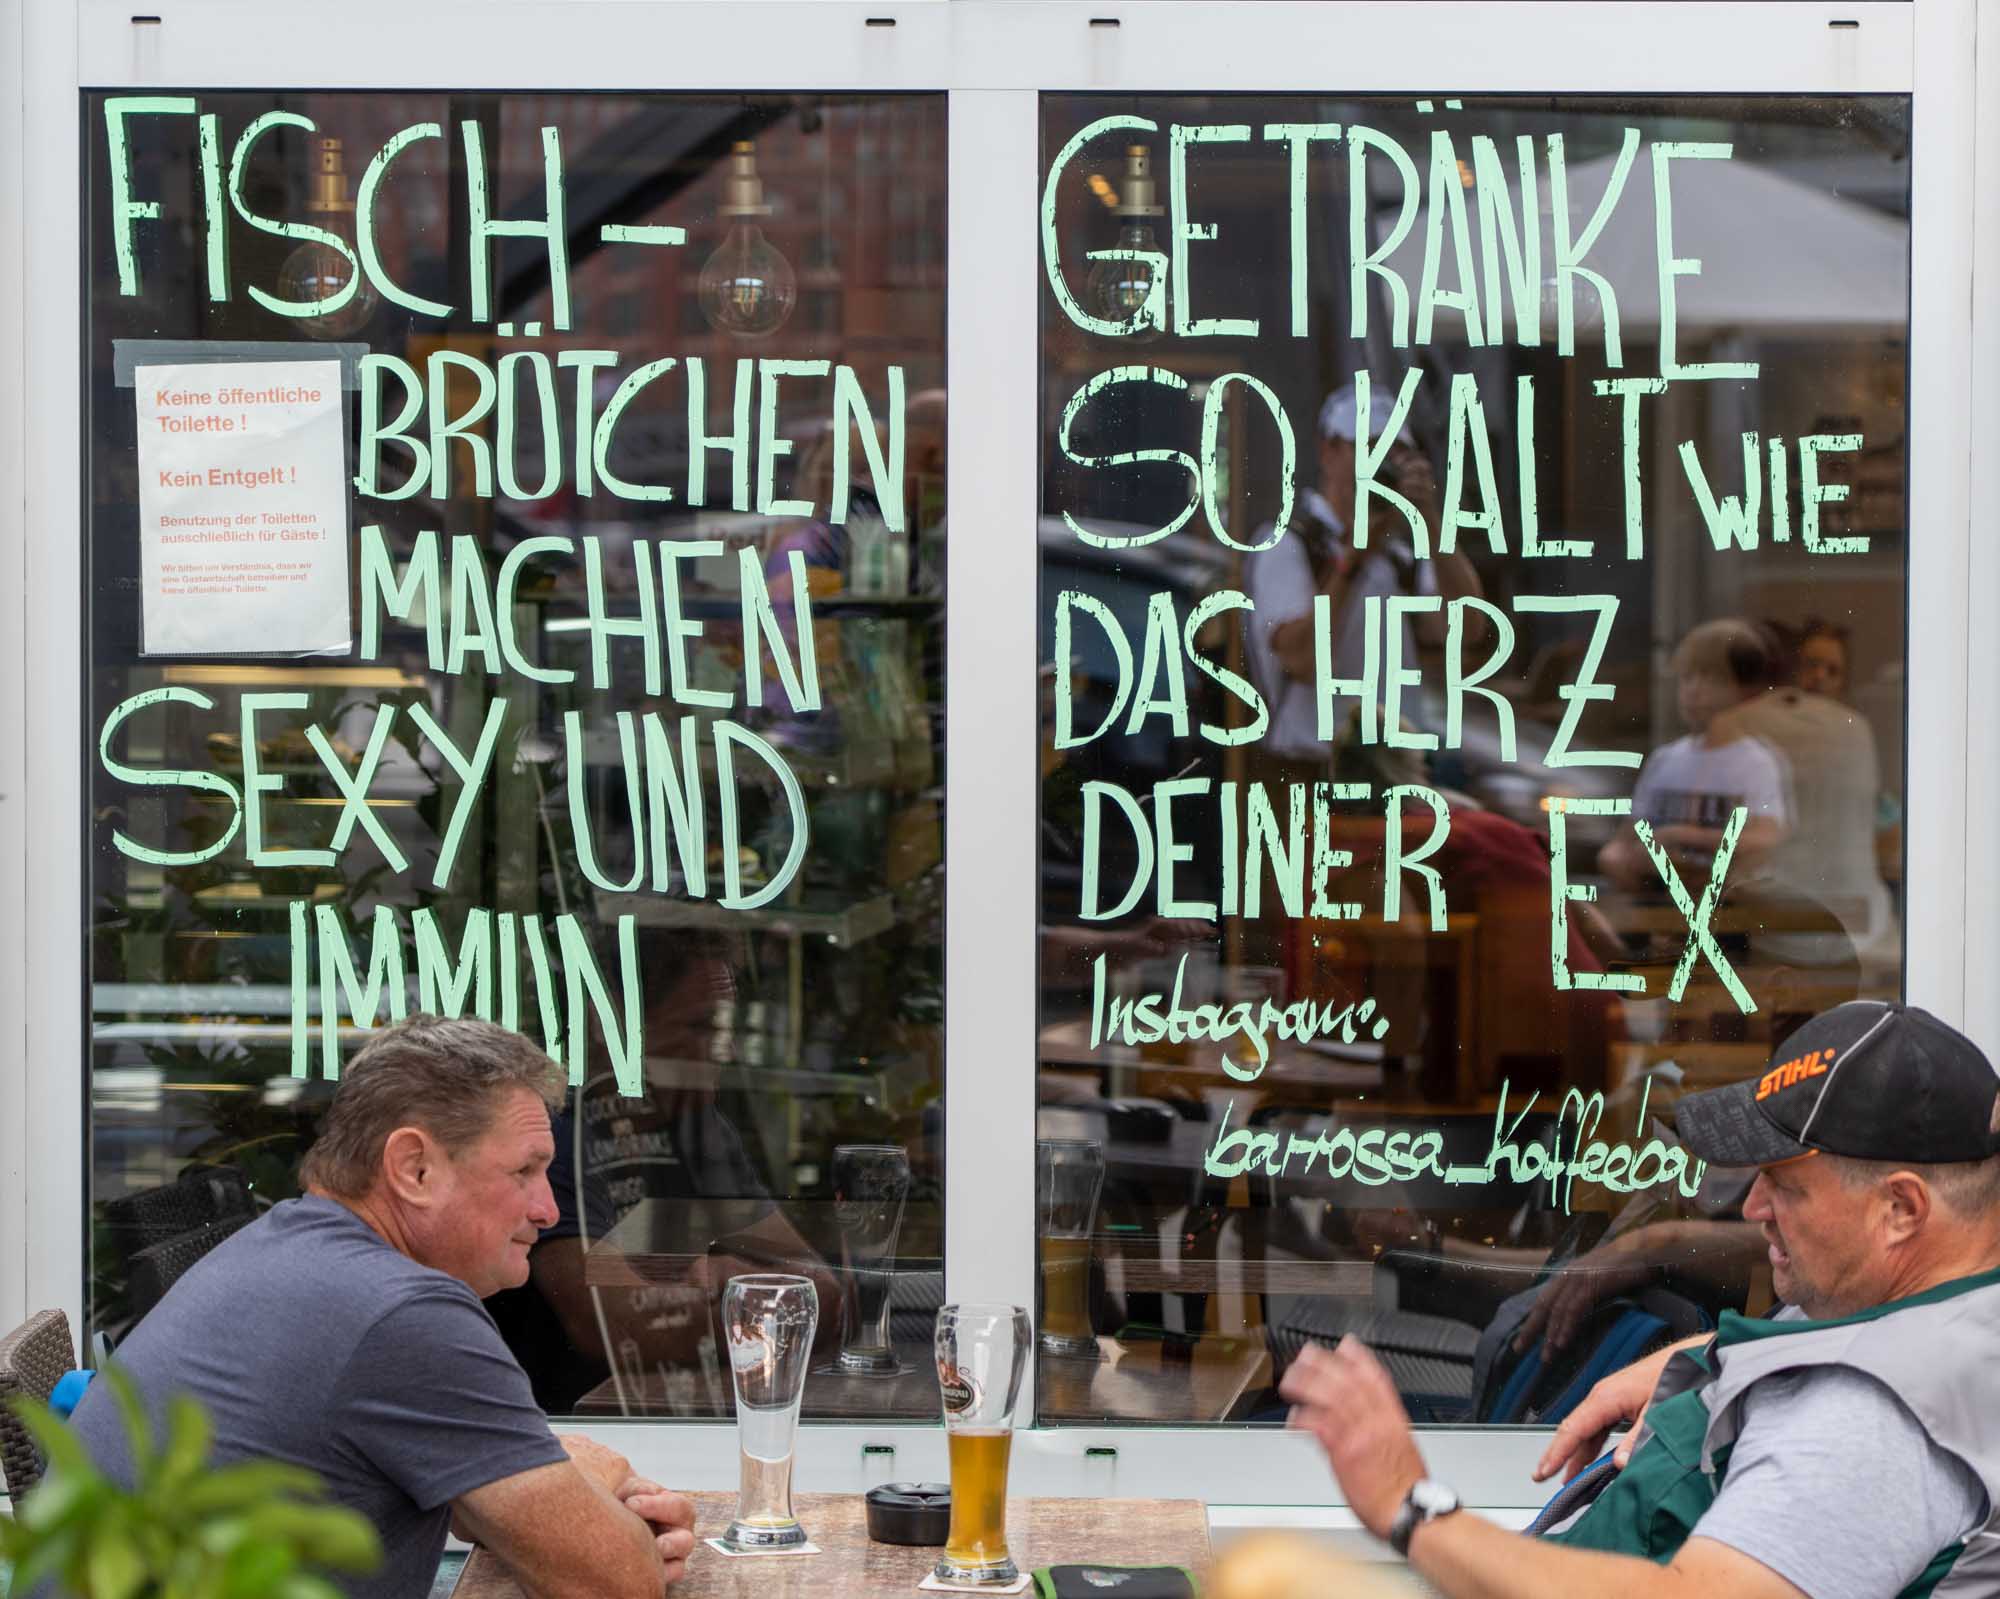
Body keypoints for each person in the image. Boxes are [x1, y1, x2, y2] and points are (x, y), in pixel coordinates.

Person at [1281, 999, 2000, 1598]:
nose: (1753, 1208)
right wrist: (1712, 1355)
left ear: (1902, 1209)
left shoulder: (1862, 1423)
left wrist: (1412, 1506)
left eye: (1785, 1184)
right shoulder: (1948, 1292)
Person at [69, 1015, 699, 1599]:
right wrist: (592, 1473)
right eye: (524, 1173)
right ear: (413, 1168)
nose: (549, 1210)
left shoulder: (291, 1247)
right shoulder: (400, 1312)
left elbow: (469, 1493)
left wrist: (566, 1497)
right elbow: (617, 1583)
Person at [1241, 377, 1485, 766]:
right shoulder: (1287, 545)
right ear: (1329, 452)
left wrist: (1431, 522)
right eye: (1370, 447)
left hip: (1396, 771)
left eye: (1396, 453)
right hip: (1314, 771)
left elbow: (1468, 629)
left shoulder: (1400, 556)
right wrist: (1352, 561)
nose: (1381, 464)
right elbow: (1303, 661)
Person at [1601, 618, 1790, 892]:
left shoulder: (1756, 762)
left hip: (1726, 912)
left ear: (1743, 690)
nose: (1694, 691)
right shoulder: (1665, 760)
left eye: (1712, 679)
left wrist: (1680, 835)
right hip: (1658, 904)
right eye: (1687, 678)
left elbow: (1766, 838)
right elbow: (1624, 839)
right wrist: (1614, 859)